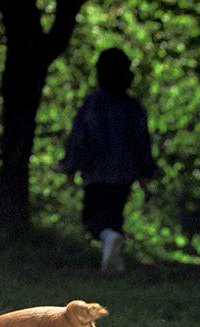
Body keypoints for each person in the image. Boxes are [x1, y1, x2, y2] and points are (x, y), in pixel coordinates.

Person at [60, 47, 158, 273]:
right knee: (115, 215)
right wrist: (145, 173)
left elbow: (79, 136)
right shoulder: (133, 108)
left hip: (96, 173)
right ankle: (115, 261)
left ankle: (110, 243)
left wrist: (71, 166)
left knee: (93, 219)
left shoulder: (92, 104)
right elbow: (142, 143)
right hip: (124, 174)